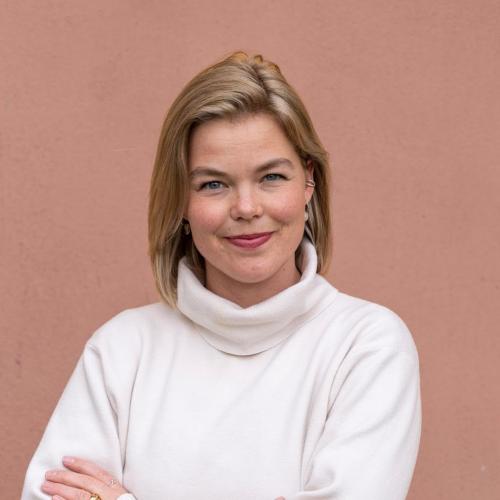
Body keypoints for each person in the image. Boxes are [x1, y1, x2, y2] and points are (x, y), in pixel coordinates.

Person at [21, 51, 421, 500]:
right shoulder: (121, 350)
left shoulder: (366, 345)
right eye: (213, 184)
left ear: (308, 183)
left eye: (271, 177)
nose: (246, 208)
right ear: (180, 201)